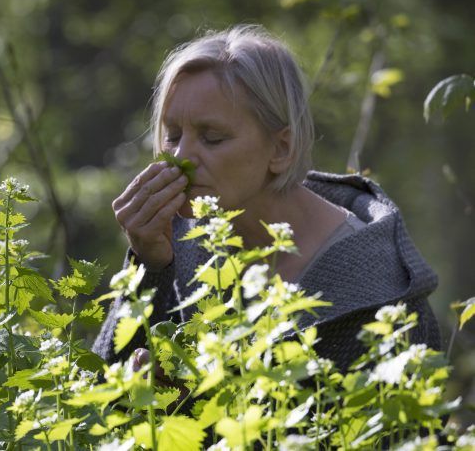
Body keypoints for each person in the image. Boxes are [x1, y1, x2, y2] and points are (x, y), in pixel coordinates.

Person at [93, 24, 441, 370]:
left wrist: (190, 401)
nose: (181, 158)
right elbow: (102, 403)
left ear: (281, 148)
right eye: (172, 135)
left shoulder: (376, 288)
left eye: (212, 137)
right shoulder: (177, 243)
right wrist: (149, 265)